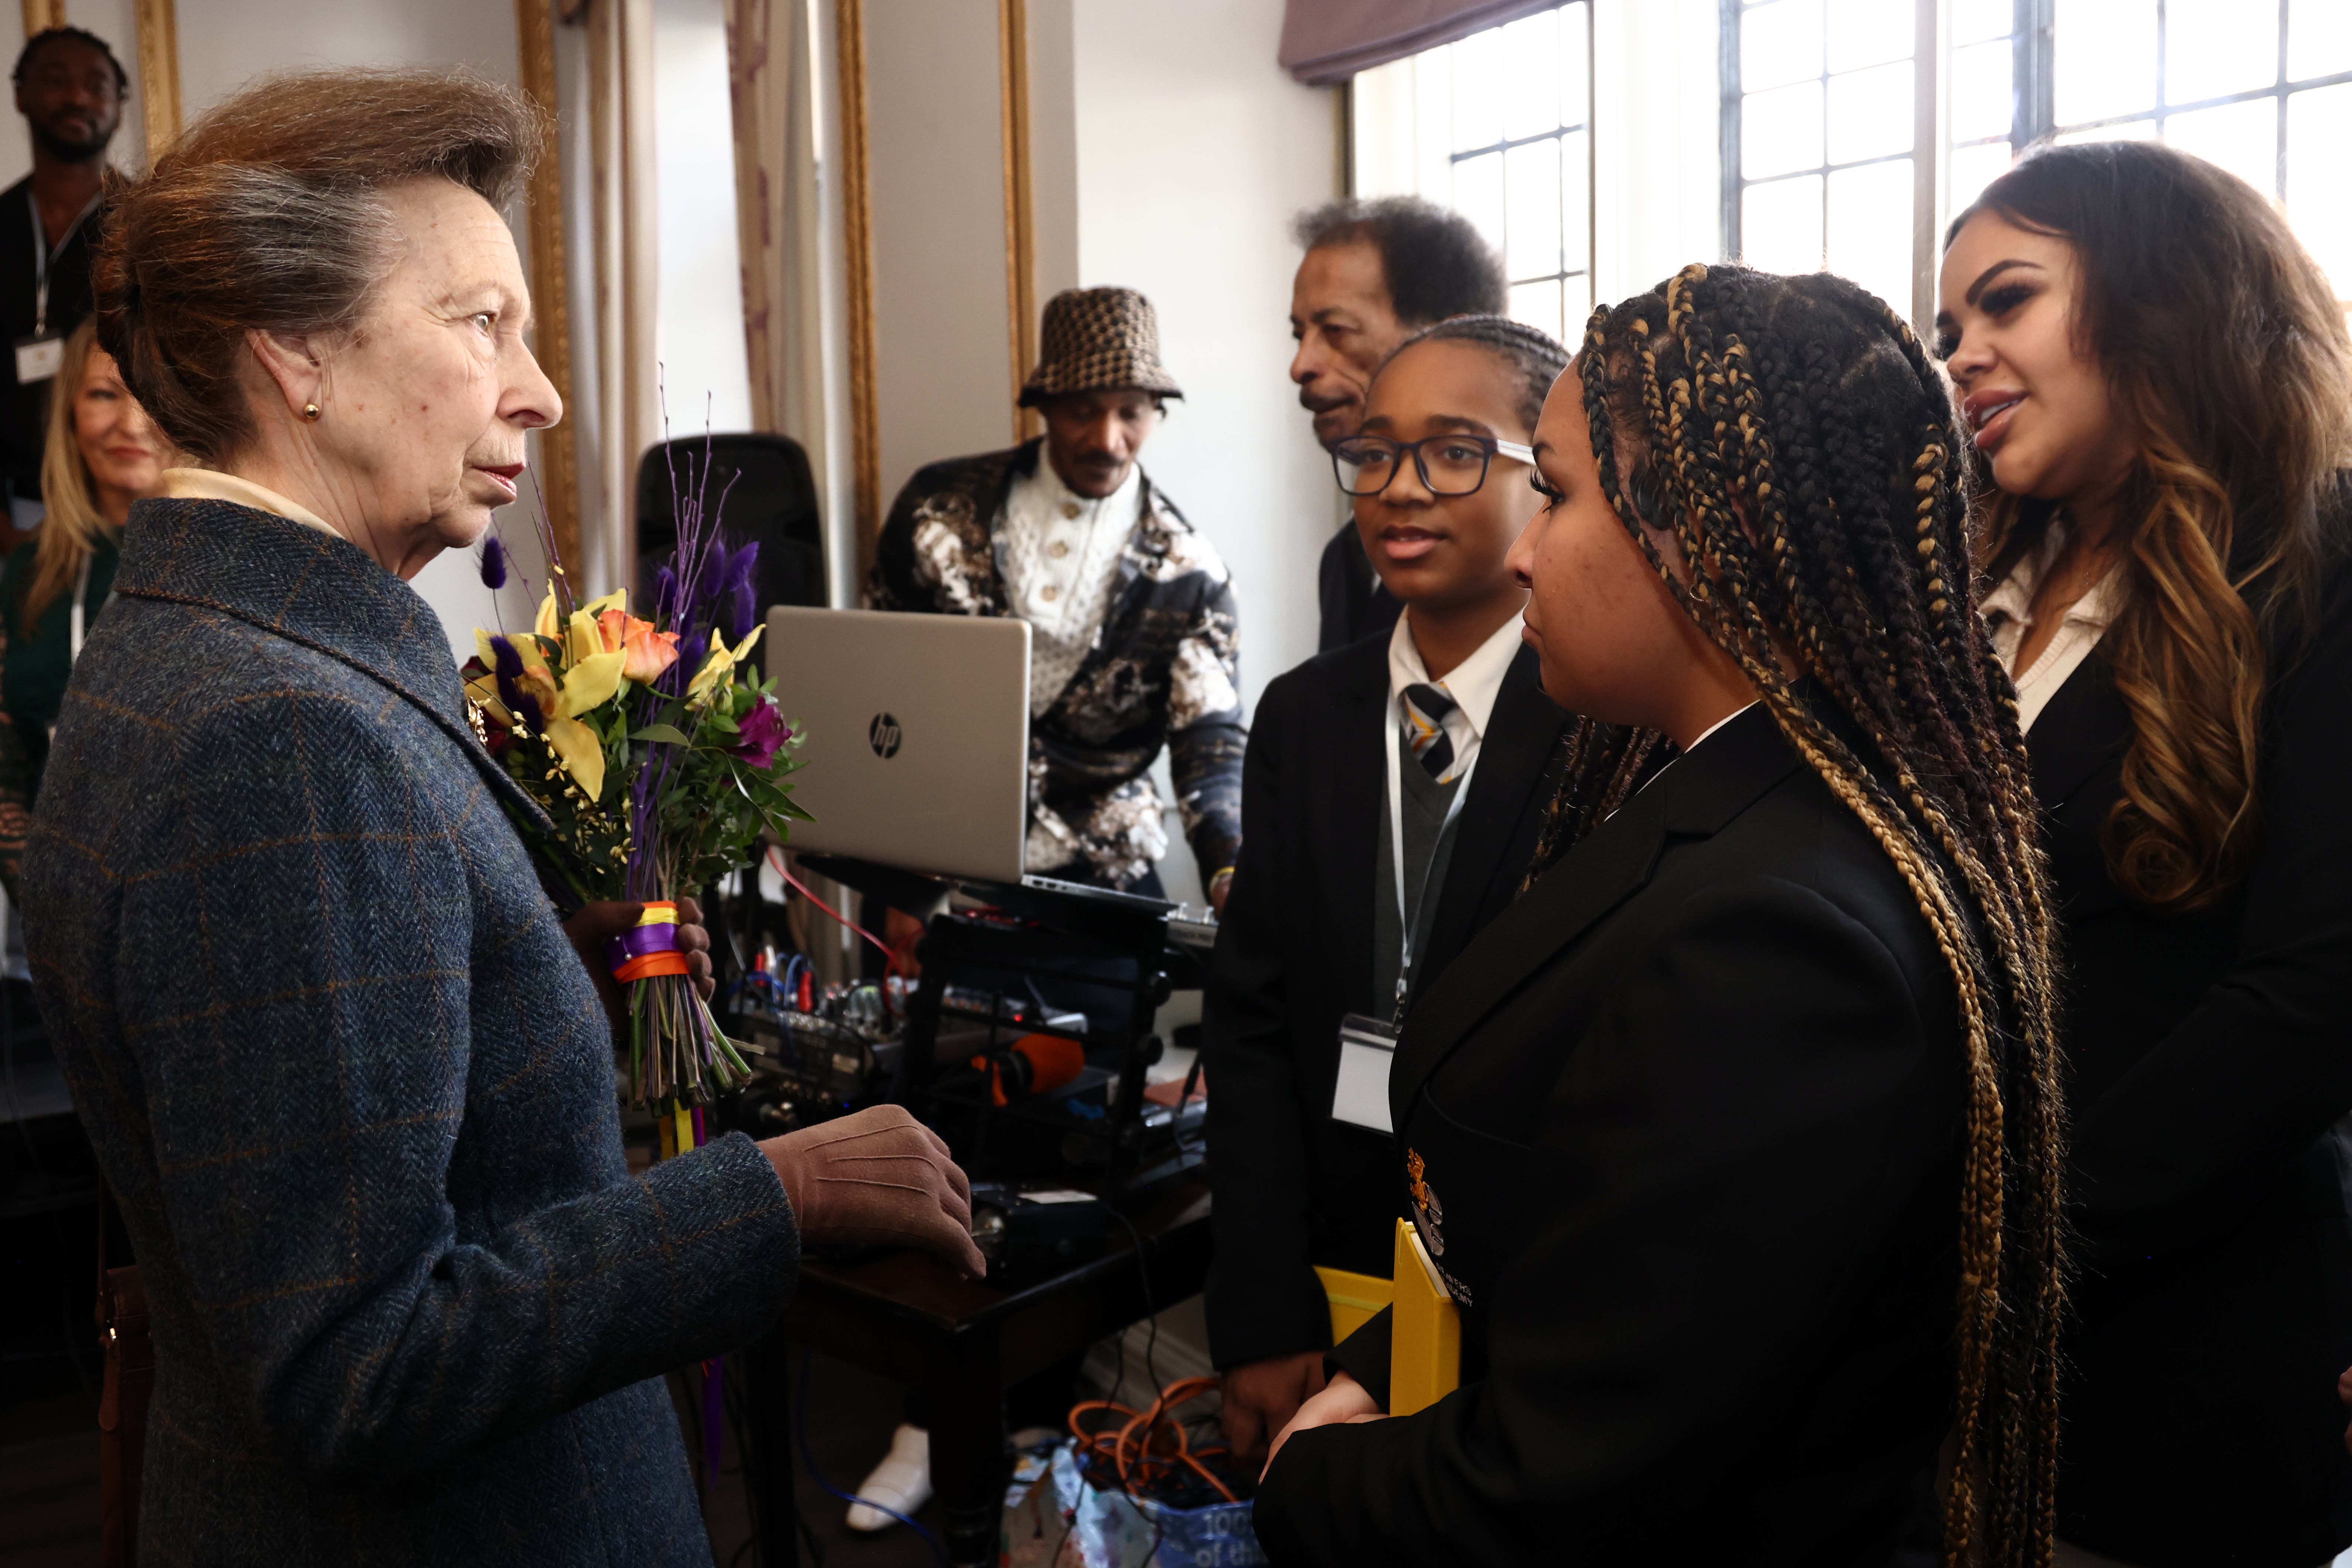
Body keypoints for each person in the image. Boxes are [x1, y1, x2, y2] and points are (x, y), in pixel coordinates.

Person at [27, 67, 984, 1565]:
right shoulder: (279, 735)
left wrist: (517, 976)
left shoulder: (216, 648)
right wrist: (778, 1194)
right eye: (483, 325)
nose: (539, 388)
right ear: (299, 357)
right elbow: (360, 1360)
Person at [1254, 264, 2066, 1566]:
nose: (1523, 546)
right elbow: (1585, 1223)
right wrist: (1378, 1355)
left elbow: (1576, 1470)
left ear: (1712, 524)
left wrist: (1303, 1485)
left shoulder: (1774, 937)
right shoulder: (1705, 788)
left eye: (1562, 495)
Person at [1936, 140, 2352, 1567]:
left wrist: (1999, 1245)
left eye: (2004, 301)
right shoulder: (1964, 590)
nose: (1965, 355)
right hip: (1925, 1377)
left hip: (2176, 1356)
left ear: (2160, 295)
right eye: (1947, 331)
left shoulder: (2313, 563)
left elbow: (2306, 1001)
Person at [1203, 315, 1572, 1460]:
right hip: (1329, 1236)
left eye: (1455, 451)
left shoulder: (1598, 721)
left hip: (1522, 1277)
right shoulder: (1306, 714)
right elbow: (1254, 1019)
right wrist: (1262, 1304)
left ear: (1544, 481)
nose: (1400, 489)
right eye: (1374, 453)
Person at [868, 285, 1243, 903]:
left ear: (1156, 409)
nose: (1107, 438)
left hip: (1103, 878)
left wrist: (1227, 868)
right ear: (1043, 405)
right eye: (1082, 411)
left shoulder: (1189, 574)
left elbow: (1210, 739)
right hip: (941, 867)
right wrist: (894, 884)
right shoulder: (935, 511)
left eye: (1131, 412)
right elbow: (880, 684)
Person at [1288, 197, 1505, 652]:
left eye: (1336, 331)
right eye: (1300, 334)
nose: (1301, 365)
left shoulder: (1533, 561)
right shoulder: (1347, 558)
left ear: (1453, 338)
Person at [0, 319, 169, 897]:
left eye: (152, 395)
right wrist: (43, 898)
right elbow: (9, 758)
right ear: (70, 414)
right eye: (104, 394)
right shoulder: (29, 572)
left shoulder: (227, 563)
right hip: (53, 909)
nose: (130, 423)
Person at [1, 27, 123, 541]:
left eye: (97, 86)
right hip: (12, 514)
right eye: (56, 80)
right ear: (20, 94)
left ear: (119, 105)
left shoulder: (146, 229)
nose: (77, 97)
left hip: (119, 511)